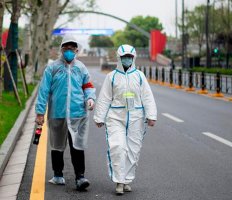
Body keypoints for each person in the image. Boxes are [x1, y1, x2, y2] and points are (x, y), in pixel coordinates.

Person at [94, 44, 157, 195]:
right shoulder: (112, 77)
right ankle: (119, 181)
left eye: (130, 57)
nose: (127, 59)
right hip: (115, 117)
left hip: (136, 117)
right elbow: (104, 98)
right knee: (118, 147)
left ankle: (127, 179)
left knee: (133, 150)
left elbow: (147, 97)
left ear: (133, 58)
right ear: (119, 58)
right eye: (124, 57)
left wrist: (151, 116)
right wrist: (99, 117)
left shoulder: (140, 76)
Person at [35, 34, 96, 191]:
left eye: (72, 48)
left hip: (78, 114)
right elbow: (43, 91)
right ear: (61, 49)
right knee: (57, 146)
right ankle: (57, 175)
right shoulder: (52, 68)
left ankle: (80, 177)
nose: (69, 51)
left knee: (77, 146)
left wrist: (90, 98)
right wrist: (40, 112)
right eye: (66, 48)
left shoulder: (81, 68)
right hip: (57, 113)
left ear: (76, 50)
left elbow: (88, 85)